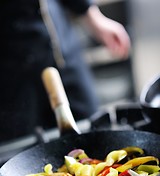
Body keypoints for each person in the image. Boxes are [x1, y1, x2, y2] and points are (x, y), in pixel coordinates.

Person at [0, 0, 131, 142]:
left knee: (95, 134)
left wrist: (92, 16)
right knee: (21, 150)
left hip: (62, 48)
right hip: (10, 75)